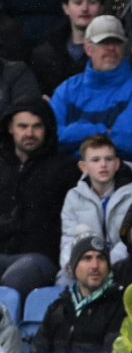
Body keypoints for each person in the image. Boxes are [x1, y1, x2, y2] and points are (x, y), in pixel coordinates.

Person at [50, 16, 132, 159]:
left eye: (117, 41)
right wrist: (98, 130)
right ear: (88, 48)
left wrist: (75, 150)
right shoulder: (67, 89)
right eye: (104, 42)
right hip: (67, 174)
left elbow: (127, 144)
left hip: (121, 175)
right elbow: (49, 136)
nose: (111, 48)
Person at [0, 100, 79, 293]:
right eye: (23, 126)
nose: (29, 133)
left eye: (37, 126)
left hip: (41, 257)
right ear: (10, 128)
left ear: (47, 128)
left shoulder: (65, 168)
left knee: (16, 281)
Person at [59, 134, 132, 281]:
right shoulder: (74, 197)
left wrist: (104, 264)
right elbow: (69, 238)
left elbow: (131, 239)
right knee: (64, 280)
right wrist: (71, 263)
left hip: (124, 264)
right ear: (83, 167)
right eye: (95, 160)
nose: (103, 165)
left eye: (109, 159)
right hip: (88, 265)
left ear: (117, 164)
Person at [30, 235, 126, 353]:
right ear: (74, 266)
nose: (95, 265)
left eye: (101, 258)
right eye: (87, 258)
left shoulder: (120, 306)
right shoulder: (57, 309)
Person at [30, 0, 103, 96]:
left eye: (92, 2)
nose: (84, 8)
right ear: (65, 8)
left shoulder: (113, 50)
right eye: (78, 2)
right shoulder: (45, 54)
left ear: (101, 8)